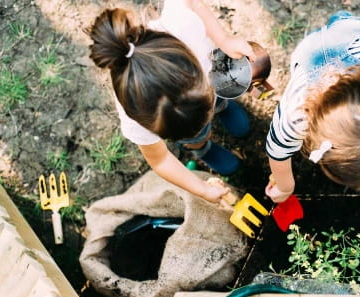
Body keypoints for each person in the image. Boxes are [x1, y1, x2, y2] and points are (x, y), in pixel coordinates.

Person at [87, 0, 256, 203]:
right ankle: (203, 147)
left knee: (218, 98)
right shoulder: (135, 113)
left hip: (213, 85)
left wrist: (224, 39)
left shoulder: (182, 25)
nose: (206, 119)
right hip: (196, 111)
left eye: (205, 110)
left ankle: (222, 107)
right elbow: (160, 160)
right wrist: (201, 189)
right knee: (196, 138)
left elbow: (192, 2)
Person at [265, 11, 360, 203]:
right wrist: (285, 185)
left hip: (350, 30)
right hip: (311, 52)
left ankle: (337, 19)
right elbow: (276, 150)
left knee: (341, 20)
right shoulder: (295, 113)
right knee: (339, 22)